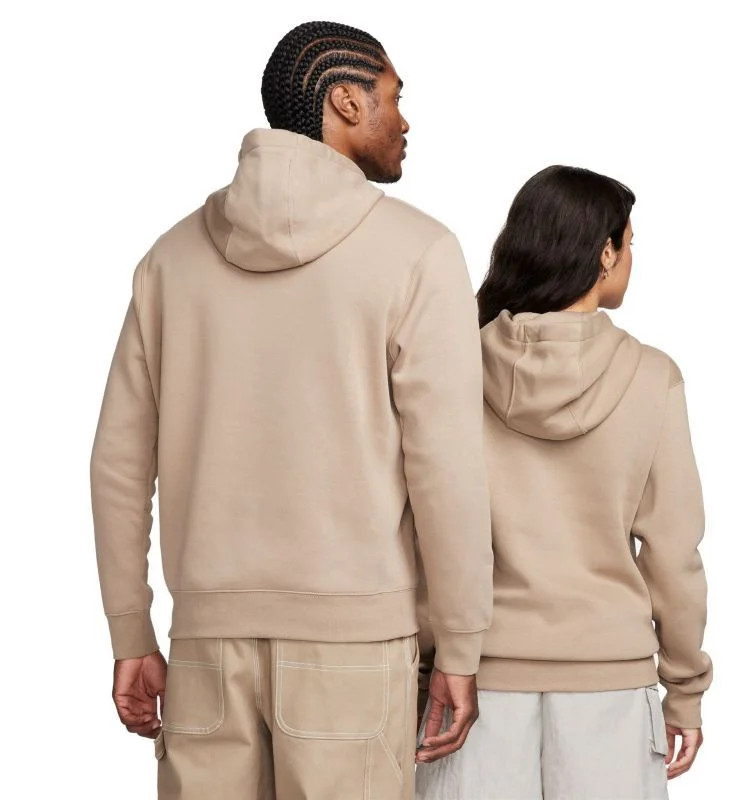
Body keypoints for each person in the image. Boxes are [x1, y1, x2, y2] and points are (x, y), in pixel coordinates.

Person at [89, 20, 493, 799]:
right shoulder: (419, 252)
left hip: (207, 647)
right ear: (346, 101)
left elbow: (119, 463)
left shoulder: (170, 259)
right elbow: (445, 468)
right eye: (393, 98)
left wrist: (130, 631)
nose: (405, 120)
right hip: (355, 647)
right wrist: (461, 645)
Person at [415, 166, 712, 799]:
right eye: (629, 243)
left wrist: (428, 660)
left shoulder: (454, 367)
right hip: (610, 685)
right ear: (604, 252)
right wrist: (684, 689)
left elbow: (421, 530)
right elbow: (673, 554)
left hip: (476, 681)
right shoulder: (652, 378)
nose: (631, 258)